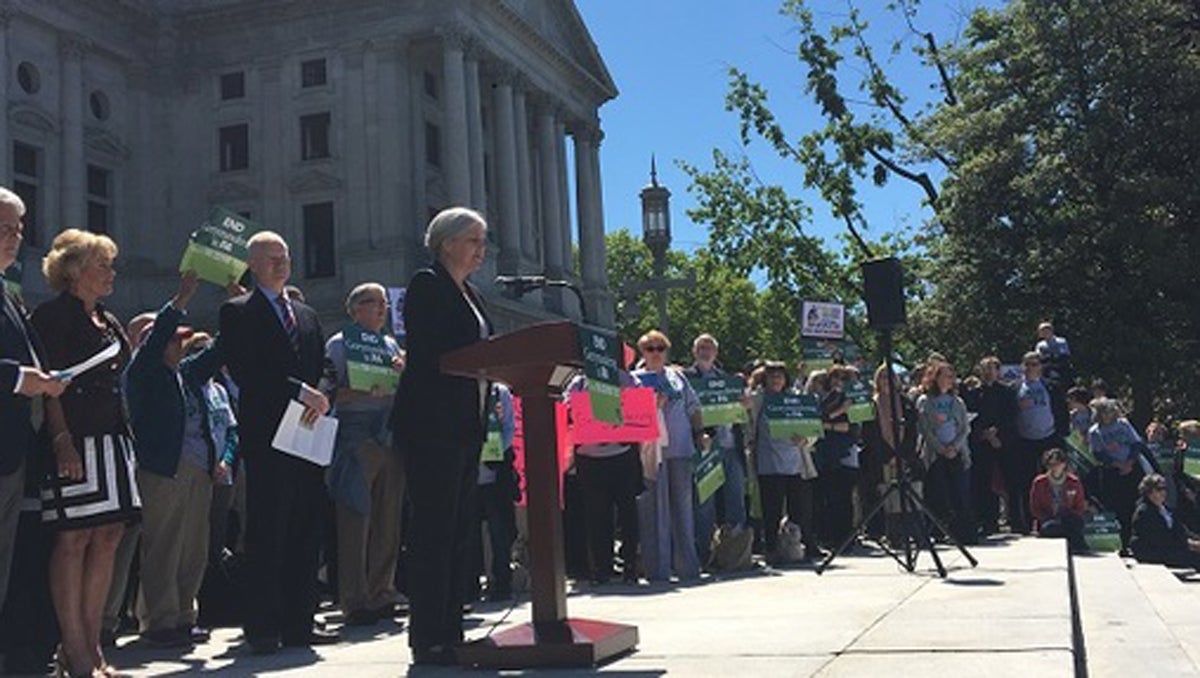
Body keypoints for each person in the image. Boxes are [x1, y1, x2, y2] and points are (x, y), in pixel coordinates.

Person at [219, 230, 334, 654]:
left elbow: (323, 364)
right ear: (252, 264)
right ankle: (263, 626)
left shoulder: (305, 313)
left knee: (307, 525)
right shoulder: (238, 311)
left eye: (284, 257)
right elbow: (247, 368)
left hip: (308, 430)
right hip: (269, 432)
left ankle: (299, 621)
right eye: (270, 258)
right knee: (269, 528)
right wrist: (300, 391)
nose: (280, 264)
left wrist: (320, 394)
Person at [32, 229, 139, 677]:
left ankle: (93, 646)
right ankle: (72, 649)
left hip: (113, 440)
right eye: (102, 265)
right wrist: (61, 440)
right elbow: (49, 386)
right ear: (75, 271)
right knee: (74, 539)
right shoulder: (52, 317)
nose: (110, 273)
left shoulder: (110, 321)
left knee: (108, 536)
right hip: (74, 441)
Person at [390, 207, 492, 665]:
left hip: (466, 429)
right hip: (432, 426)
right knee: (433, 531)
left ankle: (452, 629)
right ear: (447, 242)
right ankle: (428, 635)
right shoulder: (427, 285)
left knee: (458, 532)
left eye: (483, 240)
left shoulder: (471, 293)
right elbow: (434, 352)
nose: (480, 249)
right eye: (473, 239)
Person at [125, 272, 235, 648]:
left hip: (199, 469)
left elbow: (220, 350)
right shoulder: (143, 373)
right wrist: (182, 299)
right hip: (164, 469)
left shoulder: (184, 375)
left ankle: (185, 614)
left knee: (194, 545)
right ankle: (159, 619)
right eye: (175, 340)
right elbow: (156, 340)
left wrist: (235, 307)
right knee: (164, 544)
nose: (180, 346)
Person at [0, 187, 66, 670]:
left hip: (12, 449)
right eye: (3, 229)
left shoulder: (8, 293)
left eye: (18, 230)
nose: (14, 239)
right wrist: (23, 378)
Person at [323, 283, 406, 626]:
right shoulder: (339, 345)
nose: (382, 308)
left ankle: (382, 591)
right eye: (373, 302)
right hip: (354, 435)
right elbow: (326, 392)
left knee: (388, 518)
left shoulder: (390, 345)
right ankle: (355, 599)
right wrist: (358, 388)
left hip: (388, 433)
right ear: (354, 308)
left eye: (384, 303)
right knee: (356, 518)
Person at [633, 330, 703, 582]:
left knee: (683, 509)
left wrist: (700, 433)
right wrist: (652, 407)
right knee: (653, 513)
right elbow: (629, 414)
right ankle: (658, 570)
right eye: (650, 348)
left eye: (660, 348)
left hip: (681, 449)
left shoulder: (678, 377)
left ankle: (688, 567)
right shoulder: (634, 379)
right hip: (651, 453)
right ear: (642, 352)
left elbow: (693, 408)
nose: (655, 353)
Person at [568, 372, 642, 585]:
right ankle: (602, 567)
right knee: (596, 515)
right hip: (590, 457)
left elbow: (639, 403)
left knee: (628, 514)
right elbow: (566, 408)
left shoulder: (625, 378)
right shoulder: (579, 382)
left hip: (622, 455)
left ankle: (630, 565)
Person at [747, 361, 821, 563]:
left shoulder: (797, 398)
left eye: (780, 376)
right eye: (772, 377)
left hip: (794, 463)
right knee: (771, 508)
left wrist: (806, 439)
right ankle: (771, 548)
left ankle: (796, 547)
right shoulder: (758, 400)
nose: (776, 380)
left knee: (797, 509)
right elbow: (745, 417)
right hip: (768, 463)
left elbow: (813, 427)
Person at [683, 334, 748, 561]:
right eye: (701, 347)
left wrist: (744, 406)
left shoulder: (729, 380)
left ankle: (737, 553)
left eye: (709, 347)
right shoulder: (686, 377)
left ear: (716, 352)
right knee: (704, 504)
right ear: (694, 351)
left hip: (732, 446)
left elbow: (739, 414)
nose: (705, 351)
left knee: (736, 500)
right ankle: (703, 553)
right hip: (706, 448)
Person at [860, 363, 920, 547]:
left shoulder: (905, 403)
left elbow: (912, 431)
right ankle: (887, 534)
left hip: (904, 456)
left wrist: (902, 453)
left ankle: (911, 532)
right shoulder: (871, 404)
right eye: (883, 377)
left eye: (890, 377)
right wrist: (888, 455)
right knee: (884, 496)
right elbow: (869, 434)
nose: (887, 381)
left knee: (908, 496)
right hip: (880, 458)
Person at [470, 382, 520, 598]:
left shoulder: (500, 392)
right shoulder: (460, 386)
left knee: (500, 533)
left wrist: (495, 449)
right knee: (469, 534)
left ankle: (502, 583)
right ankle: (468, 585)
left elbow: (509, 427)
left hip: (495, 473)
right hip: (468, 473)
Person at [916, 361, 974, 543]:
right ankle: (938, 531)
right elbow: (925, 429)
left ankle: (962, 532)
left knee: (960, 493)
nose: (949, 380)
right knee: (938, 493)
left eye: (951, 376)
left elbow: (965, 428)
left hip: (956, 452)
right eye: (945, 376)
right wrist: (941, 448)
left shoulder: (957, 401)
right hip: (935, 454)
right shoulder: (925, 401)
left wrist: (955, 447)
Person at [964, 357, 1017, 538]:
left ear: (998, 371)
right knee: (983, 484)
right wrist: (983, 434)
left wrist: (997, 433)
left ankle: (1015, 520)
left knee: (1010, 481)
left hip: (1003, 442)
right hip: (982, 444)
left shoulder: (1007, 392)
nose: (988, 372)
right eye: (984, 369)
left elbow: (1012, 416)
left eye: (991, 368)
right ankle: (987, 521)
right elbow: (970, 418)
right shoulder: (973, 393)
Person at [1011, 352, 1064, 534]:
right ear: (1022, 366)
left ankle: (1050, 522)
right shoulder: (1014, 388)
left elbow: (1060, 411)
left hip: (1048, 438)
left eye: (1035, 364)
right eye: (1028, 364)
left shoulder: (1051, 387)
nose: (1031, 367)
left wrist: (1060, 435)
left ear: (1041, 367)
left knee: (1051, 480)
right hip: (1024, 440)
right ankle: (1026, 522)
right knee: (1026, 483)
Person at [1088, 397, 1145, 552]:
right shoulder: (1095, 431)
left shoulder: (1123, 425)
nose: (1106, 415)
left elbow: (1136, 444)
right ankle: (1118, 542)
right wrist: (1116, 464)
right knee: (1115, 506)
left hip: (1131, 468)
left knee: (1132, 504)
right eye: (1103, 412)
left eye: (1109, 412)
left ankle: (1132, 540)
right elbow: (1098, 453)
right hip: (1112, 471)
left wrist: (1129, 463)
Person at [1130, 474, 1200, 570]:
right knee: (1195, 558)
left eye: (1164, 488)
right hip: (1153, 552)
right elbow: (1161, 538)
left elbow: (1181, 530)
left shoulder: (1166, 509)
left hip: (1169, 548)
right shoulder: (1144, 512)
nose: (1163, 492)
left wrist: (1195, 539)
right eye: (1159, 489)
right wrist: (1189, 544)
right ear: (1149, 492)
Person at [1029, 449, 1087, 553]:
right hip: (1048, 519)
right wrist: (1047, 517)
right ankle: (1078, 546)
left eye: (1057, 464)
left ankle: (1077, 548)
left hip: (1068, 518)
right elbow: (1035, 508)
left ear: (1064, 464)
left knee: (1075, 522)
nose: (1054, 467)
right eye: (1050, 464)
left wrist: (1069, 516)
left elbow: (1080, 506)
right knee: (1051, 527)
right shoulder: (1039, 482)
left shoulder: (1074, 482)